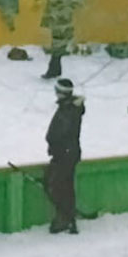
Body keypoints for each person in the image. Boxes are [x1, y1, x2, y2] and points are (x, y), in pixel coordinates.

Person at [45, 78, 85, 234]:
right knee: (64, 186)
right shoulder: (68, 108)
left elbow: (60, 133)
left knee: (59, 187)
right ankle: (68, 217)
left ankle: (65, 218)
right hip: (67, 152)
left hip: (65, 153)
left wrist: (53, 144)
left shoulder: (68, 111)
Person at [41, 0, 85, 79]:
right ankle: (55, 71)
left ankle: (53, 71)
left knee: (56, 52)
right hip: (59, 28)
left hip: (63, 28)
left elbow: (76, 4)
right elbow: (49, 12)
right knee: (57, 52)